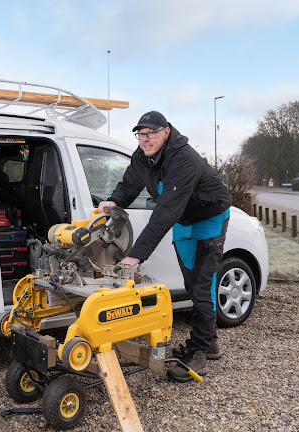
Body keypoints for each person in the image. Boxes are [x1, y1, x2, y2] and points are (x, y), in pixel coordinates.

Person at [98, 110, 232, 382]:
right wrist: (114, 201)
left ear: (166, 132)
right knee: (192, 283)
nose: (145, 139)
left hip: (210, 217)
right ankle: (210, 342)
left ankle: (198, 353)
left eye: (151, 133)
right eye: (141, 134)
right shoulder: (141, 156)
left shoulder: (184, 159)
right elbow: (130, 184)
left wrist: (136, 256)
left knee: (202, 284)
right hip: (184, 220)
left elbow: (165, 211)